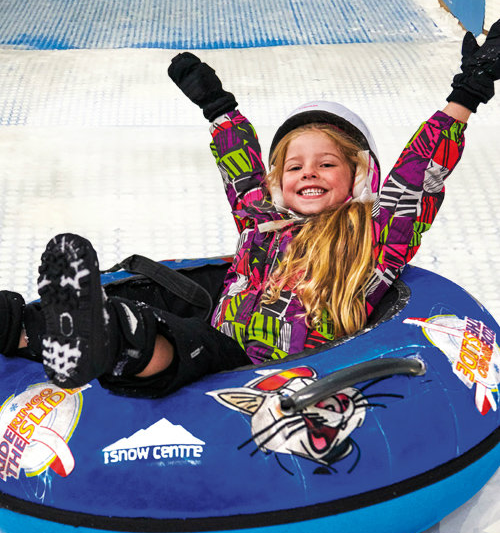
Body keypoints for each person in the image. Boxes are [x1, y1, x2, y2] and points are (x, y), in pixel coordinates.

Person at [1, 22, 500, 399]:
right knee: (156, 303)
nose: (308, 174)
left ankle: (113, 338)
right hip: (223, 329)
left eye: (326, 165)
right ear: (278, 181)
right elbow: (239, 170)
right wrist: (219, 109)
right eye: (295, 166)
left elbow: (417, 178)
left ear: (360, 177)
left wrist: (465, 99)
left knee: (178, 343)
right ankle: (24, 326)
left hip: (279, 366)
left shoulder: (374, 236)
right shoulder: (263, 222)